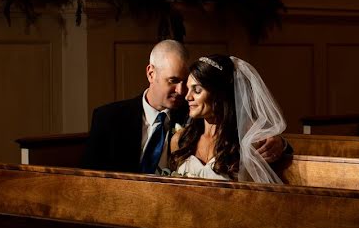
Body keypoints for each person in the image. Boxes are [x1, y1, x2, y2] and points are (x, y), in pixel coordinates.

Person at [82, 40, 287, 173]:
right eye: (172, 80)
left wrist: (279, 143)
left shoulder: (195, 114)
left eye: (185, 82)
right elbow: (89, 180)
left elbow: (246, 133)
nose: (182, 92)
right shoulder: (109, 119)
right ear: (151, 73)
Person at [167, 54, 287, 183]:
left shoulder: (247, 140)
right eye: (188, 89)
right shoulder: (180, 140)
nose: (187, 97)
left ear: (218, 94)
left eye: (197, 90)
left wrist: (282, 143)